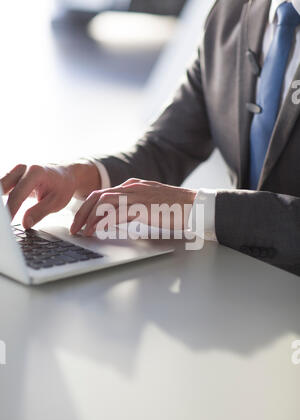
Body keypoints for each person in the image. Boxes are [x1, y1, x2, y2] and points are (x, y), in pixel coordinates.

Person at [1, 0, 300, 275]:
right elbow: (167, 147)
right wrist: (75, 175)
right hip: (242, 278)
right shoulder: (232, 12)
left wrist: (194, 208)